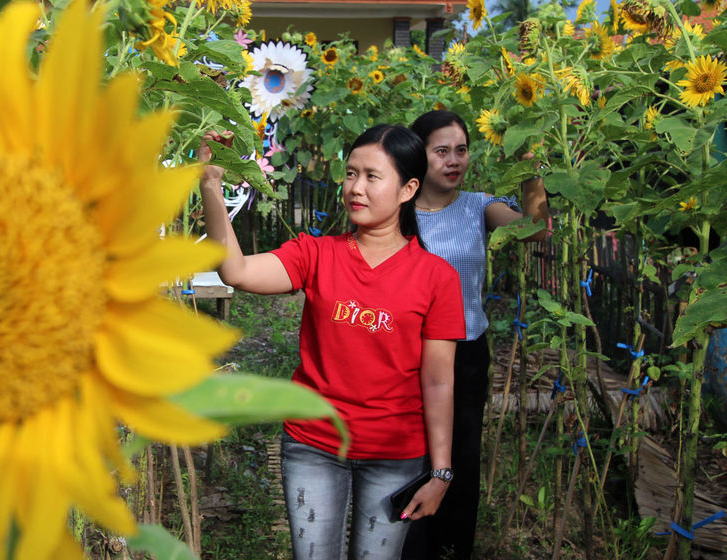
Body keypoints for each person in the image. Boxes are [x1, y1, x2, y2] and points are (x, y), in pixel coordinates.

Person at [198, 124, 466, 560]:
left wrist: (440, 472)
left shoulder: (437, 279)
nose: (355, 188)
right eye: (350, 174)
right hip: (313, 445)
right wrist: (210, 181)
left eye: (372, 177)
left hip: (394, 454)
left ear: (408, 189)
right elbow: (237, 272)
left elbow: (438, 383)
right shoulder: (317, 254)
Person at [402, 110, 549, 560]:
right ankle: (407, 544)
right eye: (441, 151)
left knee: (461, 455)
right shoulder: (397, 210)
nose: (453, 160)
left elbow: (534, 231)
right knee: (409, 453)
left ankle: (451, 547)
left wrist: (530, 171)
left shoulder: (479, 206)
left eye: (461, 150)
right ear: (417, 155)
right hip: (406, 352)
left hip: (465, 352)